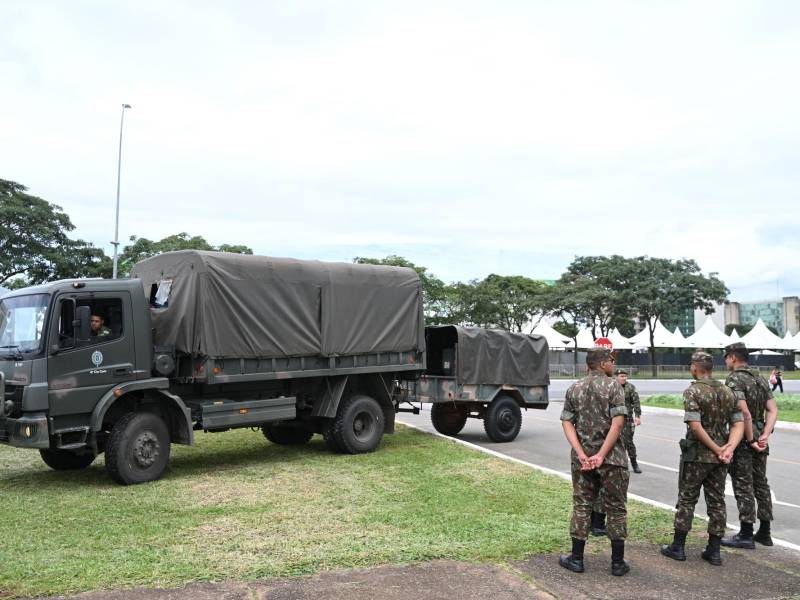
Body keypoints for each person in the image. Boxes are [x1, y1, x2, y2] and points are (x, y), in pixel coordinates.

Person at [660, 352, 743, 566]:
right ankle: (714, 551)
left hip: (697, 456)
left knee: (687, 499)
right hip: (721, 459)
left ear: (695, 367)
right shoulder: (728, 391)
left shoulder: (693, 391)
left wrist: (716, 448)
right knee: (717, 501)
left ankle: (678, 547)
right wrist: (728, 448)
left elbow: (695, 427)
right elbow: (738, 423)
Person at [559, 347, 631, 577]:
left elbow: (567, 422)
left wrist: (581, 453)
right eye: (610, 361)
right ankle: (617, 562)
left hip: (583, 460)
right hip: (612, 459)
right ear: (602, 364)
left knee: (582, 505)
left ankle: (576, 558)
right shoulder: (614, 386)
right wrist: (601, 454)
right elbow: (617, 423)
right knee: (616, 508)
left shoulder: (574, 388)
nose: (613, 364)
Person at [721, 342, 779, 549]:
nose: (726, 361)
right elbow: (773, 410)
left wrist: (751, 439)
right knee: (761, 483)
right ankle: (765, 532)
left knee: (743, 483)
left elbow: (743, 412)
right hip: (760, 435)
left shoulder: (734, 379)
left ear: (733, 357)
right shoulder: (760, 378)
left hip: (744, 439)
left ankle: (746, 533)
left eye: (726, 357)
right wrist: (765, 435)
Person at [616, 368, 642, 473]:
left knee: (628, 441)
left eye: (625, 376)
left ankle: (634, 463)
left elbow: (636, 402)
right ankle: (618, 464)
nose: (624, 378)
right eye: (621, 376)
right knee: (614, 442)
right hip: (614, 419)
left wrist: (638, 416)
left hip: (627, 419)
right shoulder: (612, 387)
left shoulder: (630, 387)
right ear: (616, 377)